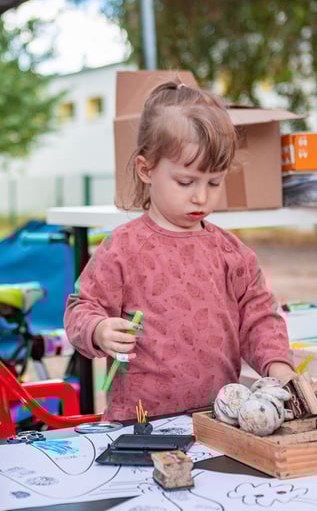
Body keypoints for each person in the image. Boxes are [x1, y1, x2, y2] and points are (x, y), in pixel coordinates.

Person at [64, 82, 296, 422]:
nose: (201, 197)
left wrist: (279, 368)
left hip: (218, 423)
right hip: (139, 423)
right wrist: (99, 330)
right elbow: (80, 307)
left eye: (214, 183)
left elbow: (260, 319)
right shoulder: (124, 248)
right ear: (146, 170)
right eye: (186, 182)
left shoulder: (232, 253)